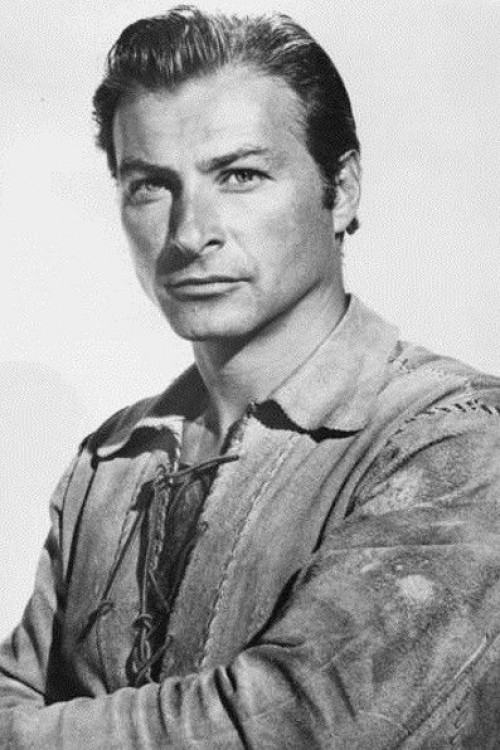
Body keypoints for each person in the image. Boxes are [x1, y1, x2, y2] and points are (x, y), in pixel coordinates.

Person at [1, 5, 499, 748]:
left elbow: (297, 725)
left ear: (343, 188)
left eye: (239, 175)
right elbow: (14, 687)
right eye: (149, 185)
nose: (189, 233)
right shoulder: (111, 460)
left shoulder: (455, 441)